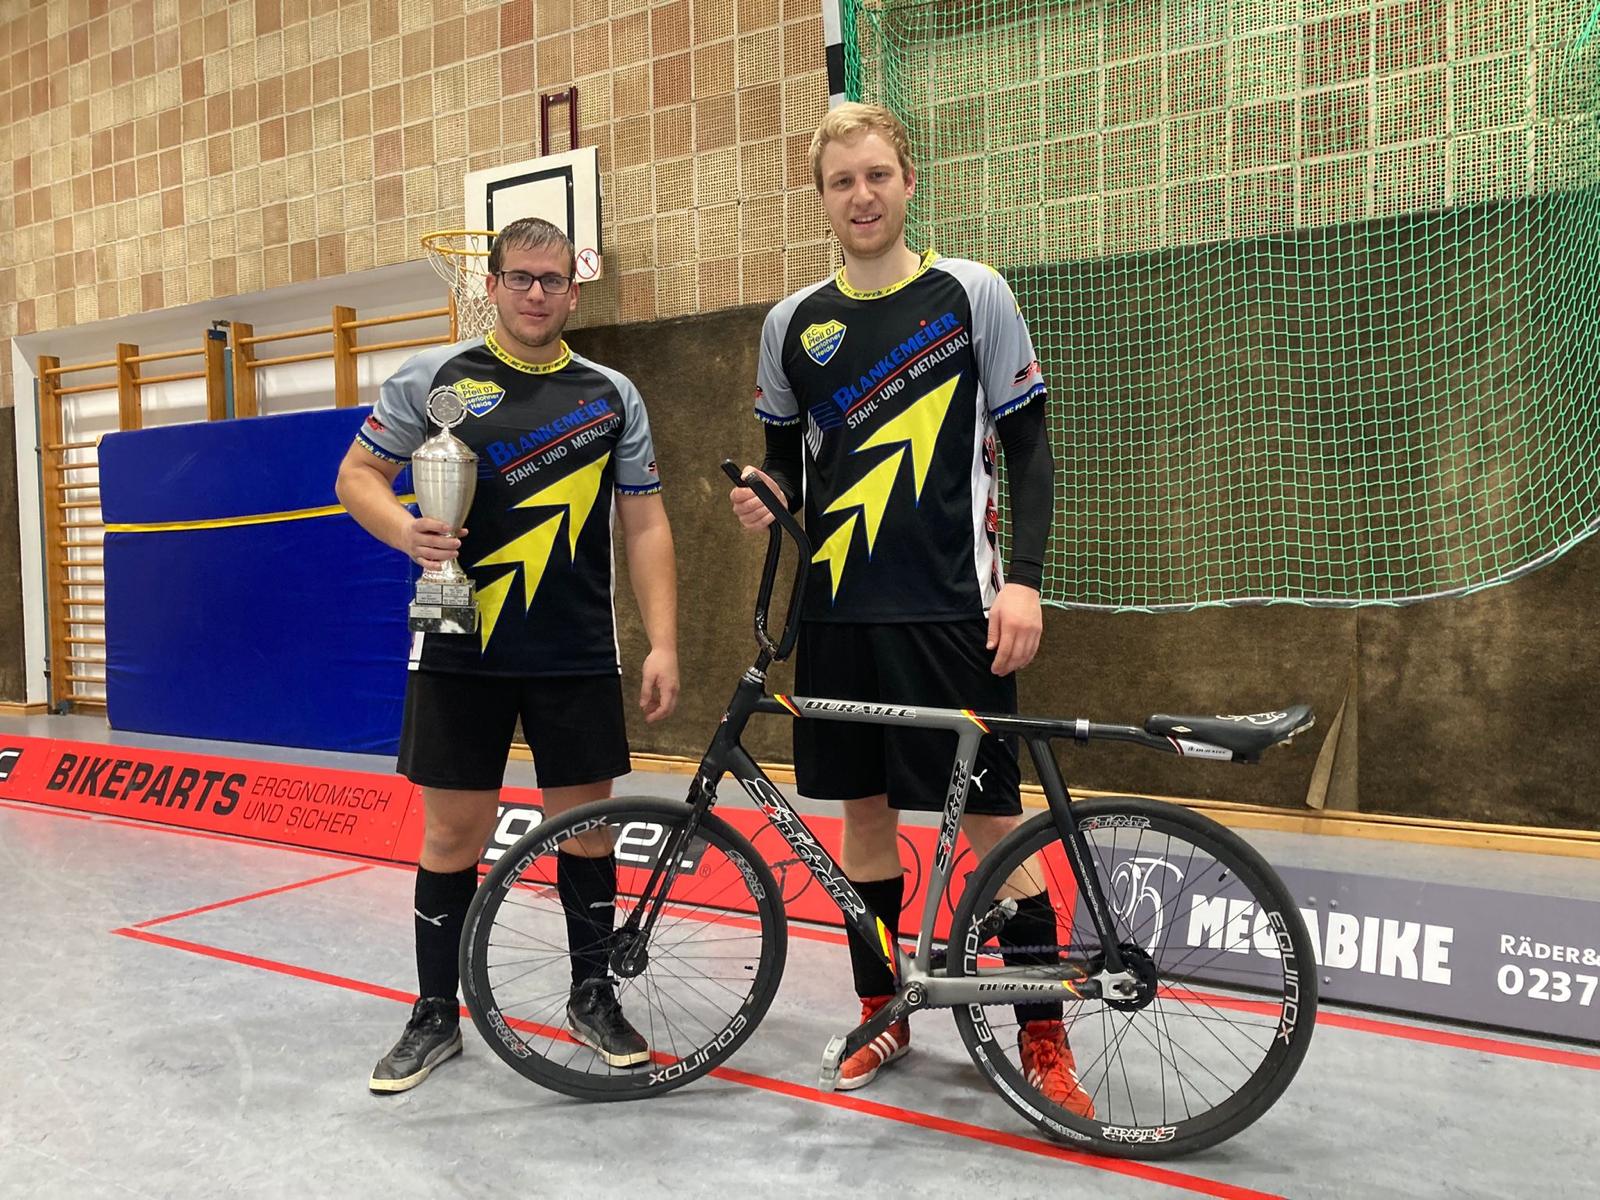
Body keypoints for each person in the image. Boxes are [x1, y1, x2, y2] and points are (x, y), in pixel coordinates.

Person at [729, 103, 1091, 1116]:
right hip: (836, 615)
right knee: (864, 820)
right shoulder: (790, 325)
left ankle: (1043, 1036)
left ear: (908, 180)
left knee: (992, 825)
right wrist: (766, 495)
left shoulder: (972, 293)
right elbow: (785, 462)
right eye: (842, 181)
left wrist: (1024, 580)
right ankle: (882, 1010)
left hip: (951, 612)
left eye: (877, 175)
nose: (862, 195)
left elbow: (1030, 450)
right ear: (821, 198)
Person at [336, 216, 679, 1093]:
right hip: (459, 644)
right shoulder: (433, 378)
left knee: (589, 831)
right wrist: (404, 530)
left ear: (574, 289)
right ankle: (434, 1013)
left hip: (574, 650)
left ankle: (592, 995)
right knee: (453, 832)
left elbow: (644, 522)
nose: (536, 293)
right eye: (520, 277)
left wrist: (665, 642)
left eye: (552, 279)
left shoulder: (611, 394)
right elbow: (356, 477)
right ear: (489, 284)